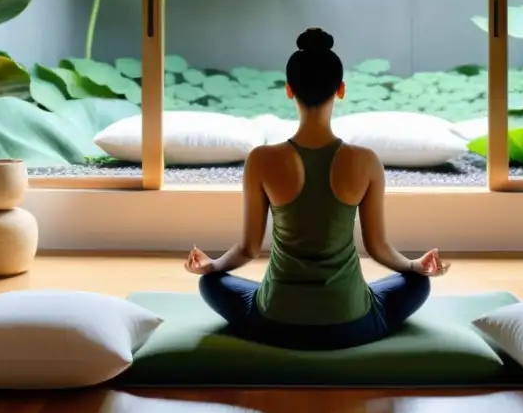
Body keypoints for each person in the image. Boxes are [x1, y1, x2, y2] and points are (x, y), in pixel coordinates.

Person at [184, 27, 450, 351]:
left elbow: (247, 249)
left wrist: (209, 266)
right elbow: (378, 247)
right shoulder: (365, 162)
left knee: (211, 283)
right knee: (417, 284)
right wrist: (413, 266)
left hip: (275, 323)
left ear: (288, 90)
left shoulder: (261, 160)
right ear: (340, 90)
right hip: (351, 324)